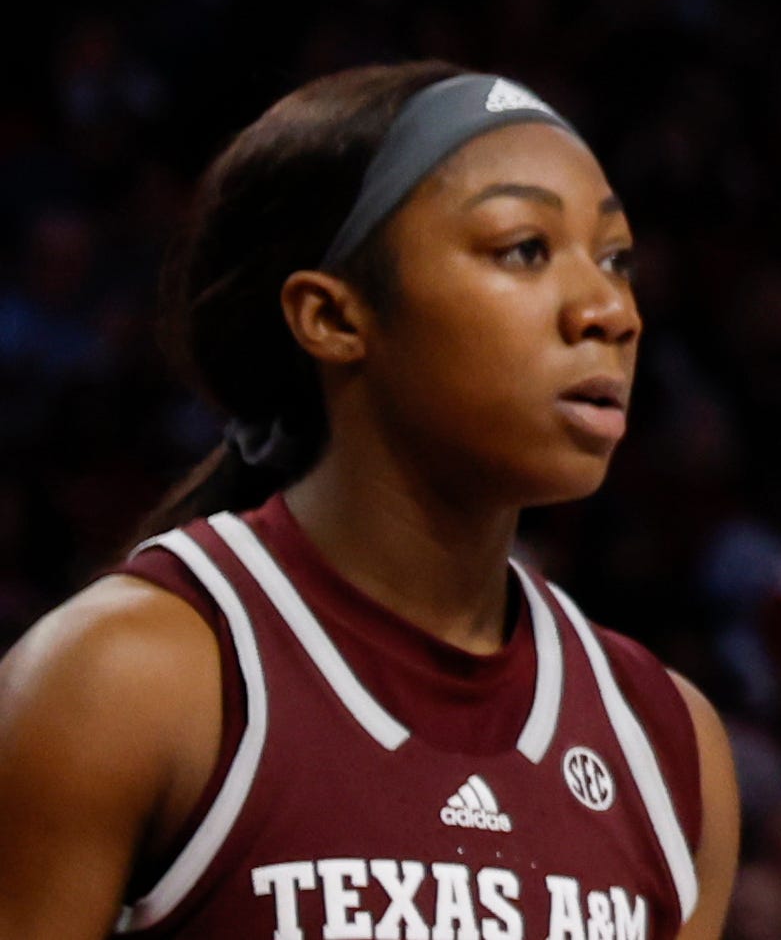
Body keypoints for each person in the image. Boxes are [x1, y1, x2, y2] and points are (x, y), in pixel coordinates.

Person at [0, 64, 740, 940]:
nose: (609, 310)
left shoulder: (667, 740)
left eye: (615, 258)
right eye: (523, 248)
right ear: (333, 317)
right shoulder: (127, 677)